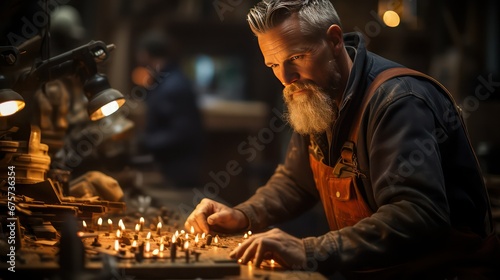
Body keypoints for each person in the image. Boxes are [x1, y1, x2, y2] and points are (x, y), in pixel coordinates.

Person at [185, 0, 500, 279]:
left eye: (297, 56)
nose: (285, 77)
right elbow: (296, 182)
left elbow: (417, 214)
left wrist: (309, 250)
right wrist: (243, 214)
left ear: (334, 39)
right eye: (273, 65)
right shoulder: (314, 95)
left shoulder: (398, 101)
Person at [134, 29, 205, 188]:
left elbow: (183, 132)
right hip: (171, 166)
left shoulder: (173, 85)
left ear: (145, 54)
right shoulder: (166, 80)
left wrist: (144, 142)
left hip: (178, 170)